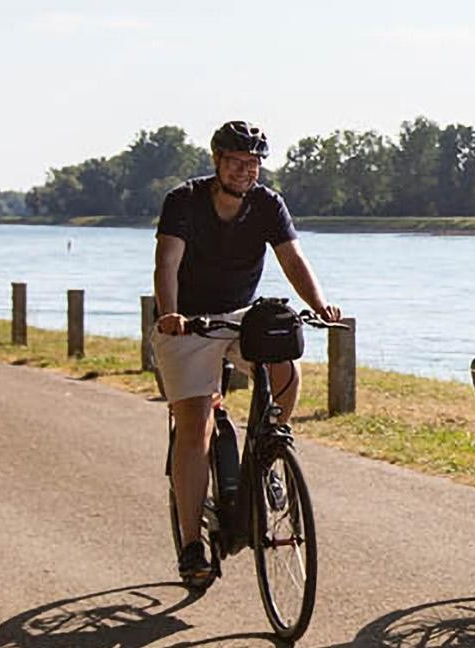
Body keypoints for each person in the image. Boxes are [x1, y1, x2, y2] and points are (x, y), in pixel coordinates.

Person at [151, 120, 342, 589]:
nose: (245, 171)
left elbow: (292, 259)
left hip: (238, 316)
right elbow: (167, 262)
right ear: (217, 161)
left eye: (252, 164)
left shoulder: (266, 203)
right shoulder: (184, 201)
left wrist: (318, 304)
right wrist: (171, 313)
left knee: (285, 367)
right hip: (191, 322)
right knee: (195, 425)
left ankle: (268, 452)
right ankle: (193, 543)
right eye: (236, 162)